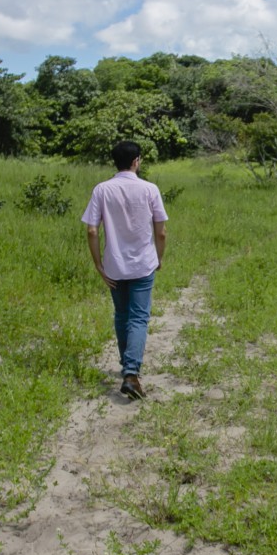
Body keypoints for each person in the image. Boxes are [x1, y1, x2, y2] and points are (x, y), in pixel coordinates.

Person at [82, 140, 169, 400]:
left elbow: (91, 230)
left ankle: (126, 368)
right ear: (136, 161)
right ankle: (131, 373)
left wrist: (98, 263)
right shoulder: (149, 189)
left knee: (121, 315)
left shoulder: (102, 189)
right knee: (139, 317)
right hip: (143, 263)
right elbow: (161, 231)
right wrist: (158, 257)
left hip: (114, 264)